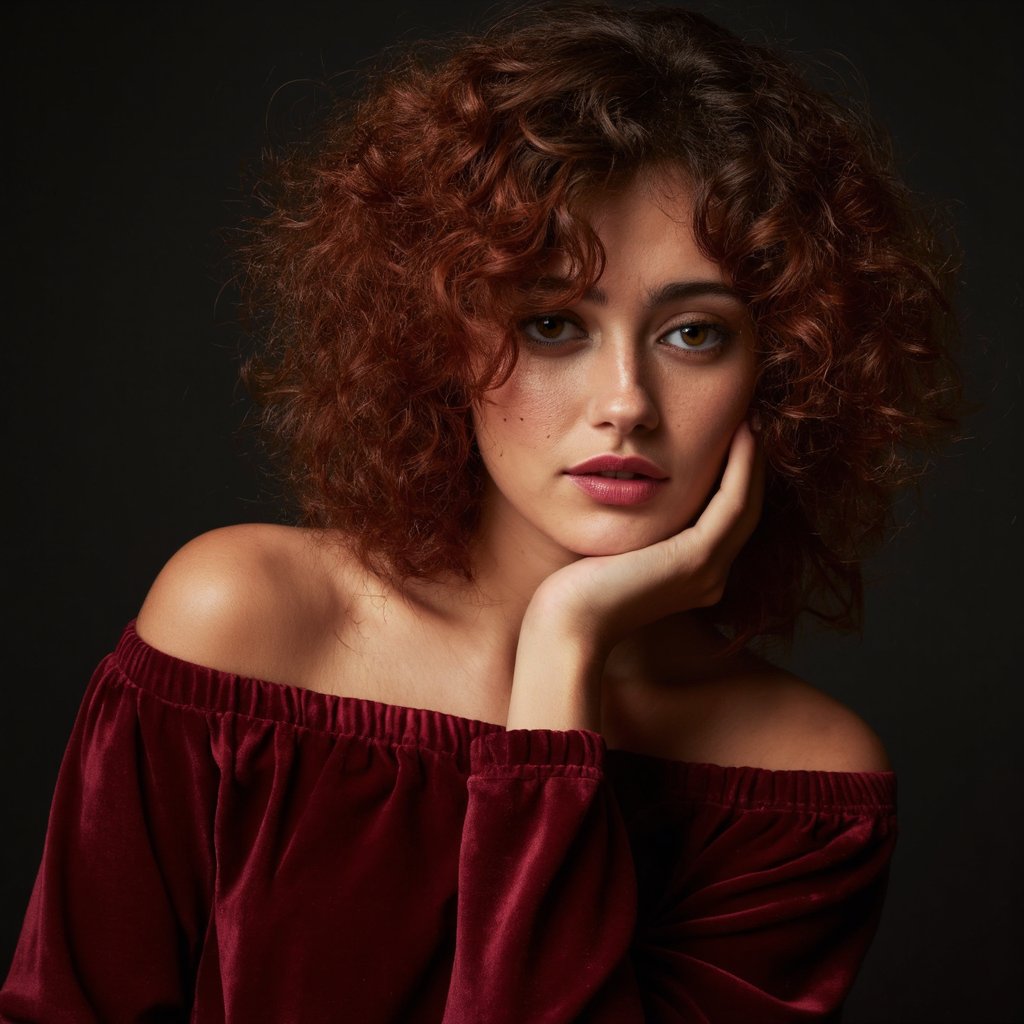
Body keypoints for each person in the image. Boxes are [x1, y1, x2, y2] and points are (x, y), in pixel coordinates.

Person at [0, 3, 958, 1021]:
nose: (625, 401)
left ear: (782, 371)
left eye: (691, 334)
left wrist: (564, 647)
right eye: (551, 323)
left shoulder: (796, 783)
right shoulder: (244, 624)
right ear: (435, 338)